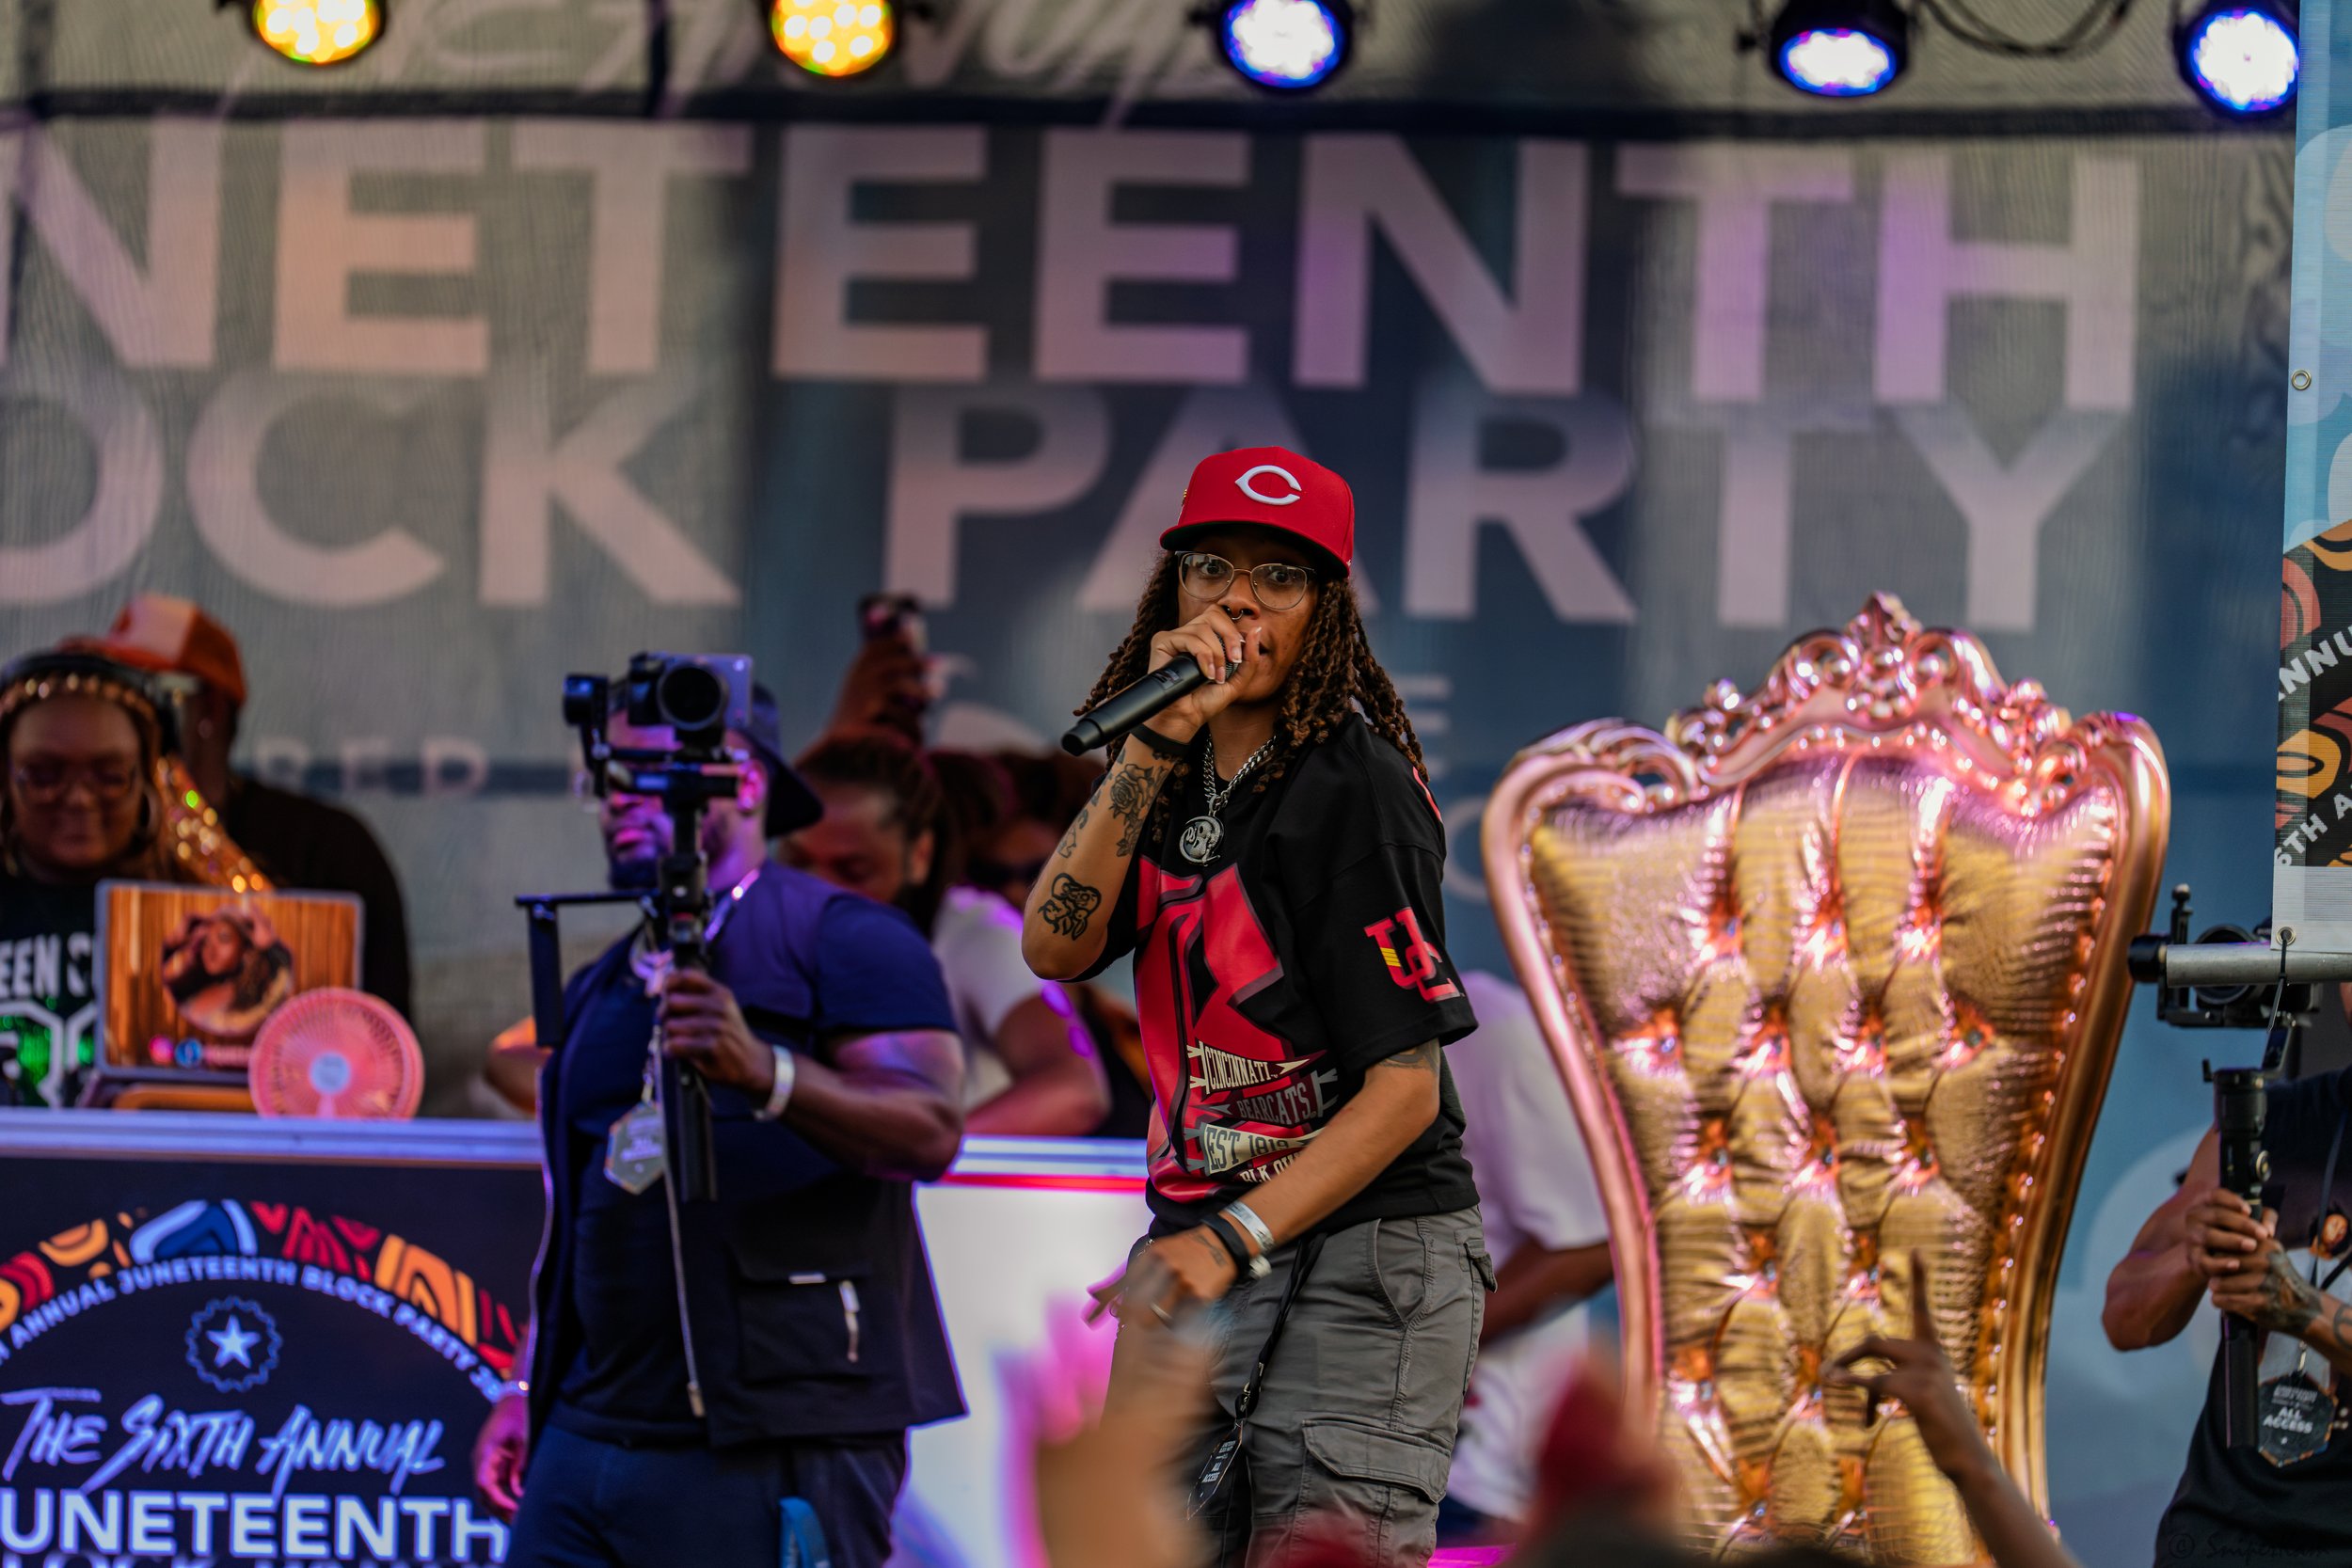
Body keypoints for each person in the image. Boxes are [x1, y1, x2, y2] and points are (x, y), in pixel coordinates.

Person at [1022, 446, 1490, 1563]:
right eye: (1214, 566)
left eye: (1280, 577)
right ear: (1170, 589)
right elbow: (1056, 939)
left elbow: (1405, 1090)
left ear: (1324, 610)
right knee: (1136, 1541)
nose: (1239, 598)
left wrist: (1230, 1237)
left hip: (1367, 1239)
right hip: (1206, 1231)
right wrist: (1150, 741)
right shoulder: (1170, 767)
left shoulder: (1353, 785)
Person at [469, 681, 967, 1568]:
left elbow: (929, 1130)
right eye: (605, 775)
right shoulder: (604, 982)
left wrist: (767, 1072)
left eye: (644, 770)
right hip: (586, 1433)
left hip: (776, 1433)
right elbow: (581, 1209)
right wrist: (524, 1380)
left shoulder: (844, 937)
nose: (616, 795)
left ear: (741, 780)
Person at [72, 594, 414, 1017]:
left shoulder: (328, 848)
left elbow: (386, 1041)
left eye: (149, 695)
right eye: (112, 695)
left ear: (209, 710)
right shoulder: (83, 840)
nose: (123, 714)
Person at [2103, 1030, 2352, 1567]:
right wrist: (2194, 1257)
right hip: (2217, 1538)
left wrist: (2305, 1311)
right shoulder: (2270, 1120)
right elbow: (2125, 1318)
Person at [787, 732, 1110, 1136]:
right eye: (796, 862)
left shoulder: (975, 932)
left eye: (853, 871)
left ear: (918, 855)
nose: (820, 889)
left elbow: (1073, 1090)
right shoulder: (755, 927)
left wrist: (926, 1147)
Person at [0, 651, 265, 1106]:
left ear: (149, 779)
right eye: (44, 775)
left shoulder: (213, 924)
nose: (79, 798)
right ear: (6, 780)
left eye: (109, 776)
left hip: (161, 1177)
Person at [1437, 971, 1614, 1544]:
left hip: (1465, 1470)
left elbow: (1590, 1245)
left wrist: (1424, 1353)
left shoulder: (1496, 1030)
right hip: (1328, 1440)